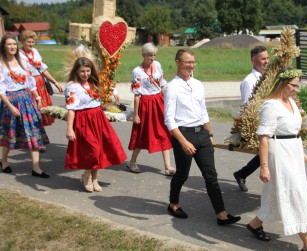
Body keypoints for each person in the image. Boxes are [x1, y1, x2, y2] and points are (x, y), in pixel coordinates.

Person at [246, 68, 307, 251]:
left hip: (292, 151)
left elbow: (295, 131)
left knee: (276, 191)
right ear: (282, 83)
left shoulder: (292, 103)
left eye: (298, 86)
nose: (296, 89)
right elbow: (263, 137)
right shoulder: (270, 106)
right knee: (292, 193)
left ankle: (255, 224)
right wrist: (264, 166)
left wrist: (301, 150)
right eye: (294, 85)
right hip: (278, 152)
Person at [164, 48, 241, 225]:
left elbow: (203, 111)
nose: (191, 66)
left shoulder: (198, 84)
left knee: (211, 175)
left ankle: (221, 214)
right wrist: (183, 142)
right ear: (178, 63)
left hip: (202, 134)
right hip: (184, 134)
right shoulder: (172, 87)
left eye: (193, 62)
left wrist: (210, 133)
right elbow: (169, 119)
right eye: (187, 63)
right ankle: (173, 203)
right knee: (182, 174)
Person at [64, 56, 127, 192]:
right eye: (82, 71)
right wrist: (70, 128)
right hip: (83, 120)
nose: (85, 74)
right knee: (93, 150)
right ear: (76, 71)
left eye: (88, 71)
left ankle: (95, 178)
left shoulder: (94, 83)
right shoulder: (72, 87)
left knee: (100, 149)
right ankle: (86, 175)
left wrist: (114, 93)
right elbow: (71, 109)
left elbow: (109, 85)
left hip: (98, 119)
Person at [0, 34, 50, 178]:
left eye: (14, 44)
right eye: (9, 44)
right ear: (3, 46)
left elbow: (30, 80)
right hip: (10, 100)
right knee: (11, 133)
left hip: (26, 99)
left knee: (33, 131)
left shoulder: (22, 61)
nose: (12, 47)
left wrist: (37, 97)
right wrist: (9, 106)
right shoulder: (1, 64)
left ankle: (36, 168)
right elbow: (1, 88)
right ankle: (4, 160)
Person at [127, 43, 174, 175]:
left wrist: (168, 102)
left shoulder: (157, 65)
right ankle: (132, 162)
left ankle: (168, 167)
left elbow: (162, 85)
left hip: (158, 101)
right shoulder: (137, 71)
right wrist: (136, 114)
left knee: (164, 132)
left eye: (154, 55)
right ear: (143, 55)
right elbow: (137, 95)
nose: (152, 58)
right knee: (143, 134)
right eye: (149, 56)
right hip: (146, 105)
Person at [233, 46, 269, 192]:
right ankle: (242, 173)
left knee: (270, 151)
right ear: (254, 61)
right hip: (257, 123)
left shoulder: (269, 77)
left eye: (267, 58)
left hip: (269, 120)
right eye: (263, 59)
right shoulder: (249, 82)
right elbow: (249, 108)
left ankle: (241, 173)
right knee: (269, 150)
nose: (266, 61)